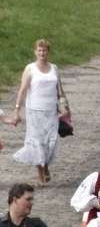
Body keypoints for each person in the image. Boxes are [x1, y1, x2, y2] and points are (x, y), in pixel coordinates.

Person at [12, 39, 65, 186]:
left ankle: (45, 166)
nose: (42, 53)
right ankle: (40, 175)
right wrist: (17, 110)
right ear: (35, 52)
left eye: (45, 50)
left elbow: (59, 90)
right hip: (34, 111)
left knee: (50, 143)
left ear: (48, 52)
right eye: (39, 50)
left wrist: (65, 107)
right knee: (37, 143)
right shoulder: (30, 69)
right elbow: (22, 91)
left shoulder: (54, 68)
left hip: (51, 111)